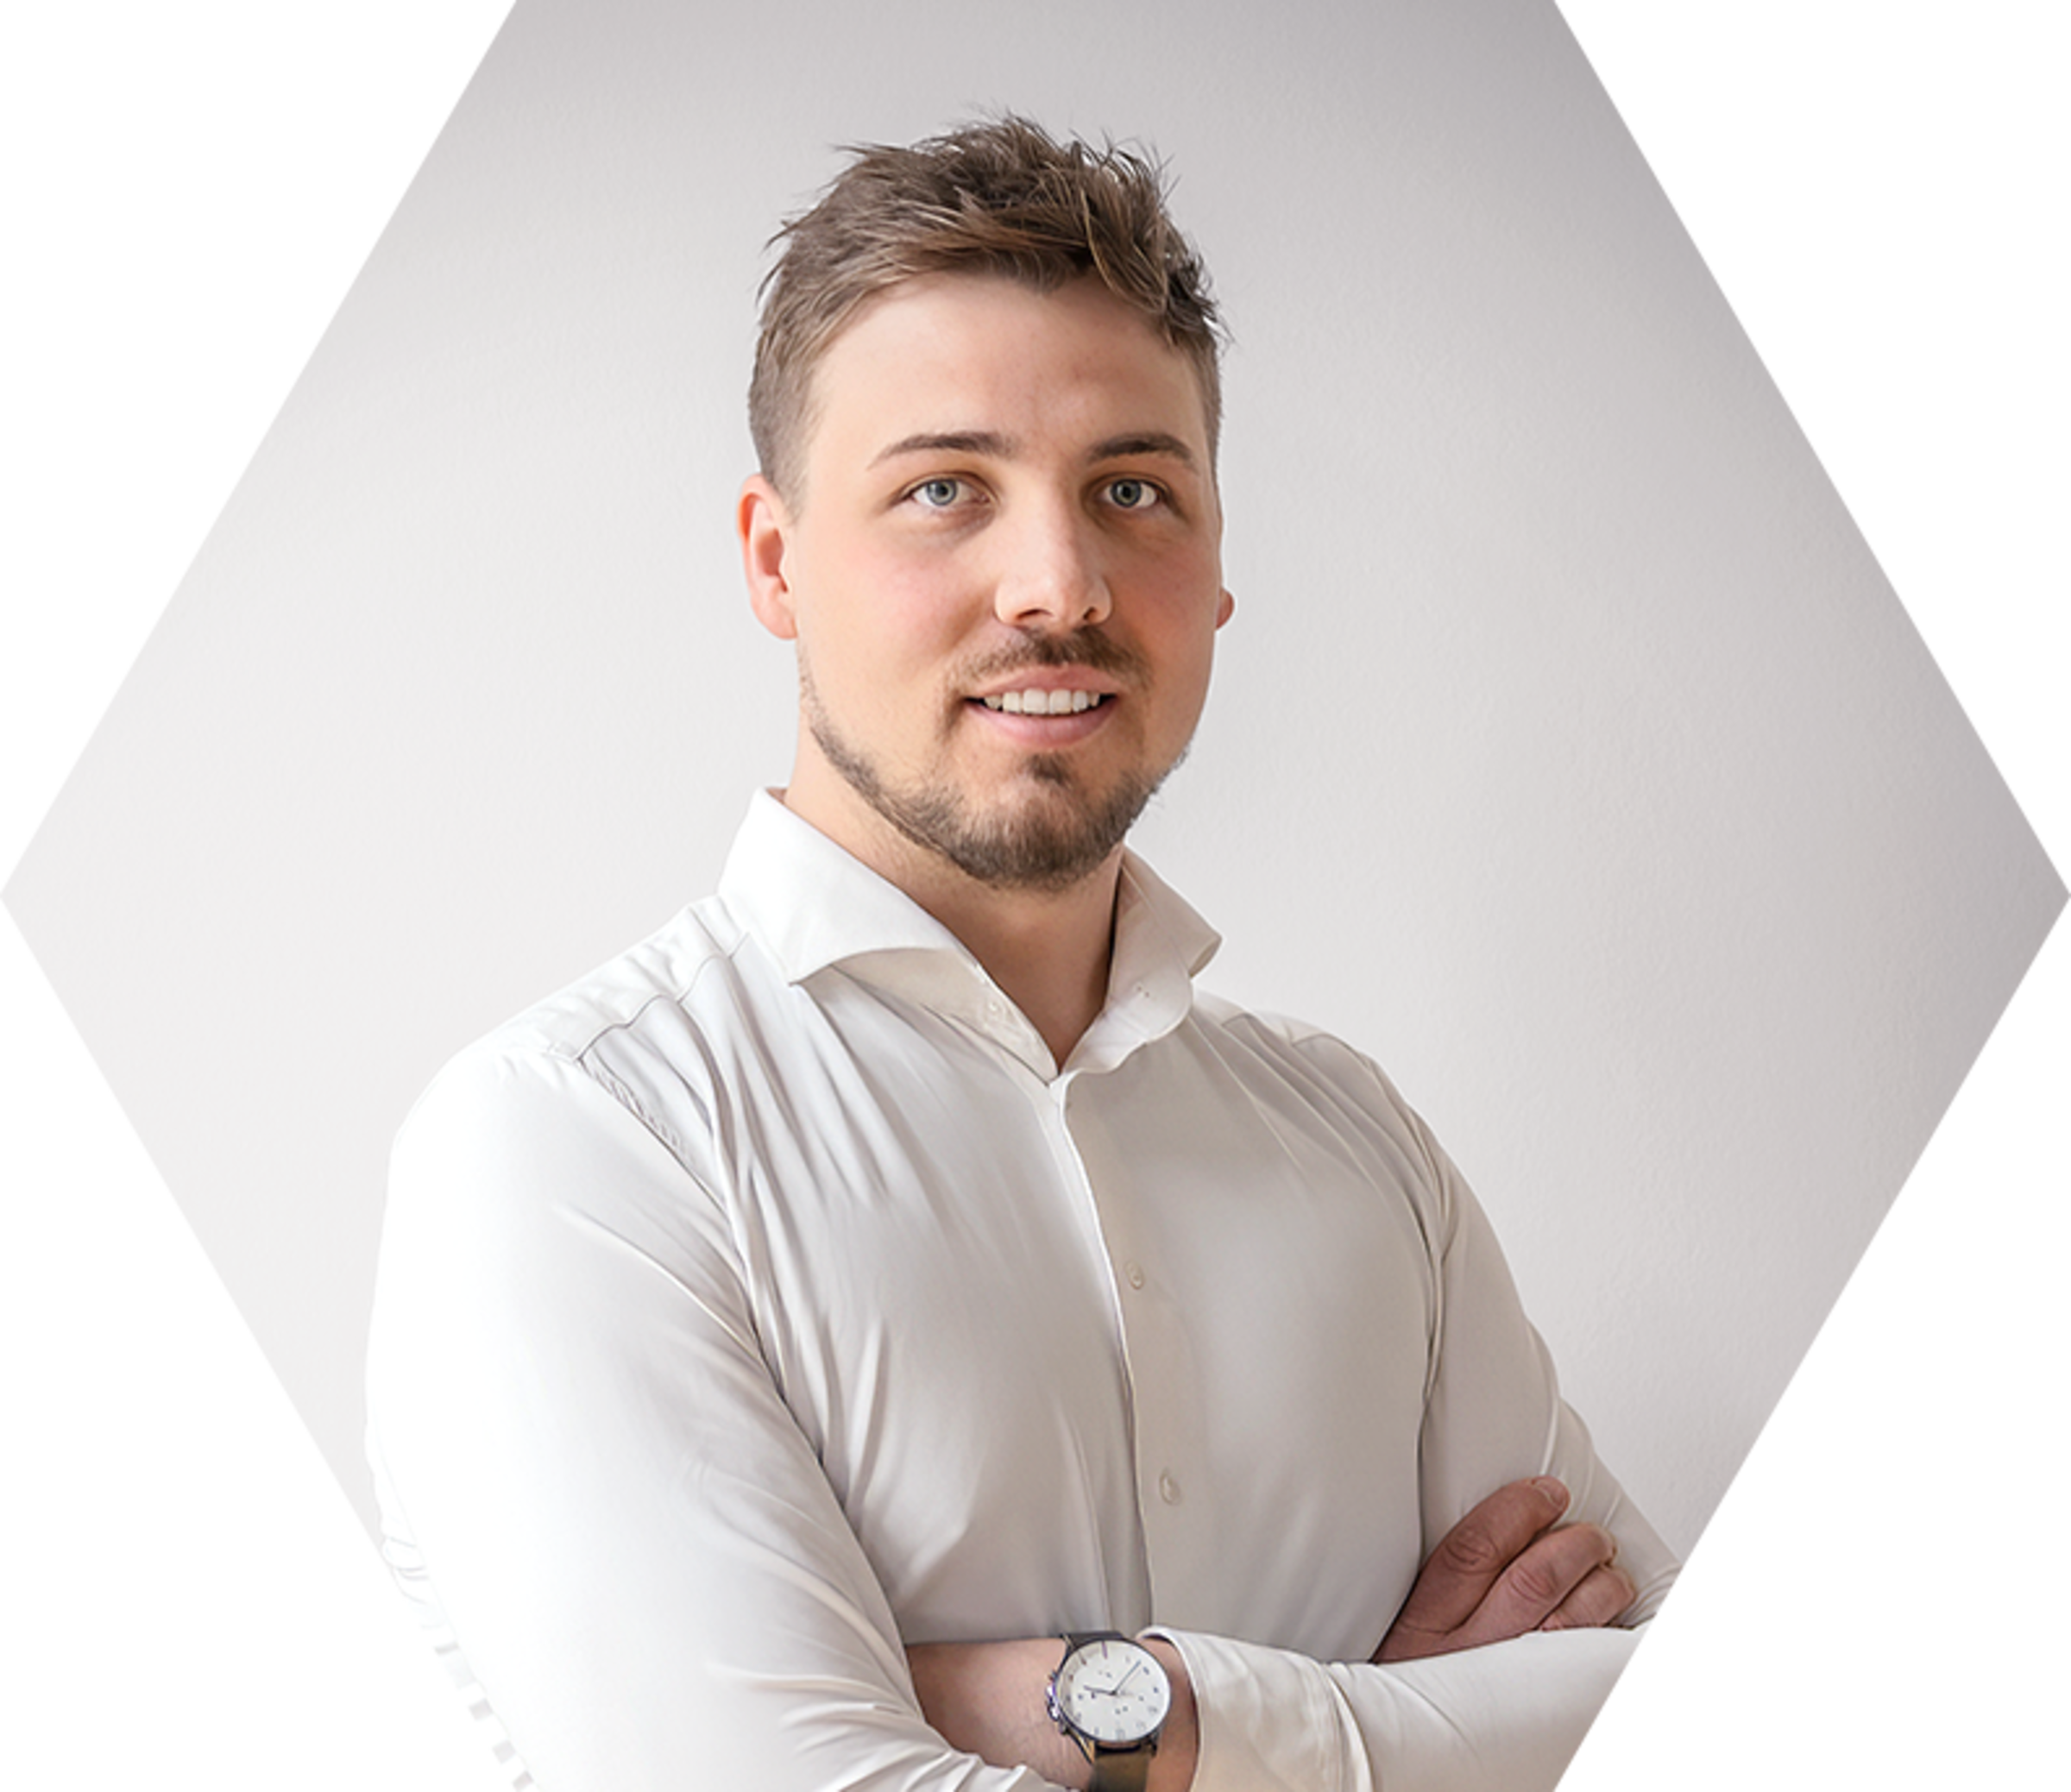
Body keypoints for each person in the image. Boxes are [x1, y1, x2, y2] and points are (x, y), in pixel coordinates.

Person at [365, 115, 1681, 1791]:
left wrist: (1146, 1717)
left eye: (1132, 490)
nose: (1059, 585)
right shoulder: (577, 1143)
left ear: (1219, 567)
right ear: (775, 560)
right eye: (944, 490)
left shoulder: (1362, 1148)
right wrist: (1409, 1736)